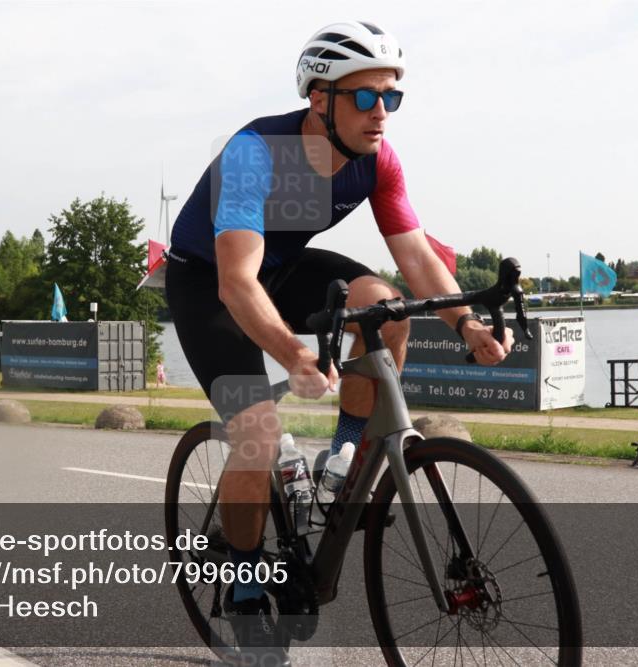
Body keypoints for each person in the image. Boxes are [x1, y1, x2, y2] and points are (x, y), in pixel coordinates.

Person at [165, 21, 514, 664]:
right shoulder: (255, 153)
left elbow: (416, 255)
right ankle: (242, 581)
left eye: (391, 97)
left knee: (386, 307)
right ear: (320, 99)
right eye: (365, 97)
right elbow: (239, 283)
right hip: (209, 280)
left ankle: (345, 454)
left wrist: (466, 322)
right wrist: (293, 354)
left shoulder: (378, 160)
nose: (381, 113)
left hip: (285, 264)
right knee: (258, 431)